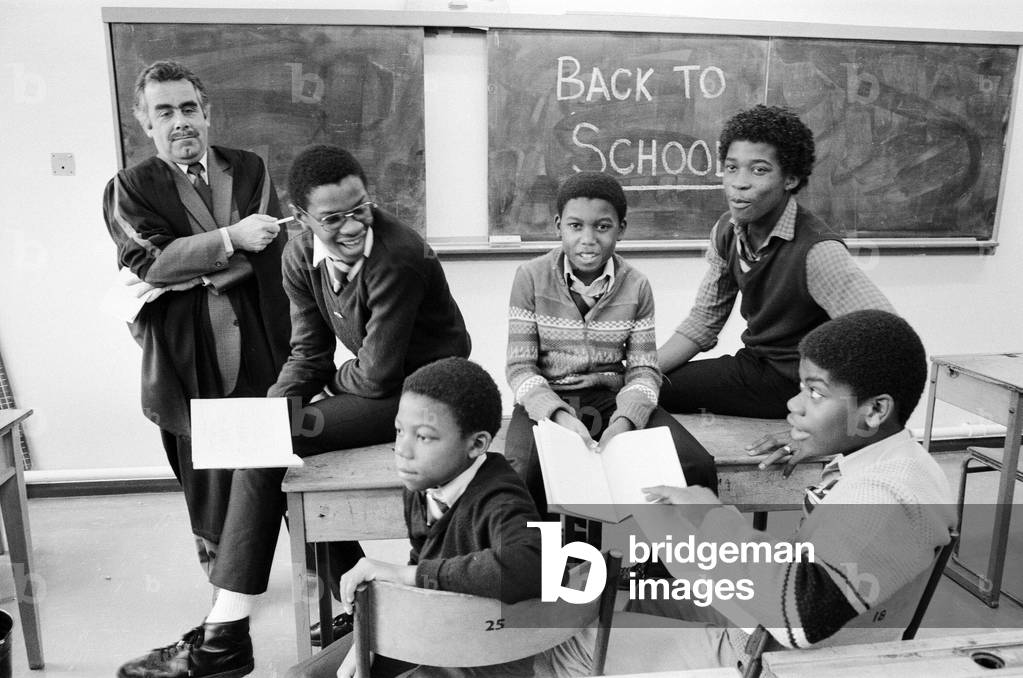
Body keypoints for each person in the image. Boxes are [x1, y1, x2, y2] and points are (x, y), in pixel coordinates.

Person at [117, 145, 471, 678]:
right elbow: (307, 350)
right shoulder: (297, 255)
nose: (351, 226)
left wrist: (320, 392)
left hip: (431, 393)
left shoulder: (397, 256)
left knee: (275, 442)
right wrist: (275, 407)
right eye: (332, 218)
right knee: (269, 444)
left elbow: (374, 374)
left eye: (360, 209)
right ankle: (344, 606)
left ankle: (225, 635)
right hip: (381, 391)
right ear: (301, 219)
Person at [635, 310, 954, 672]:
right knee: (643, 595)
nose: (793, 404)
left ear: (876, 409)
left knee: (573, 644)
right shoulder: (902, 461)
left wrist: (712, 517)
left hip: (773, 656)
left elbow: (801, 614)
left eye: (815, 392)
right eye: (801, 388)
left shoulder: (883, 498)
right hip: (786, 624)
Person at [102, 60, 290, 575]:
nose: (180, 121)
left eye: (189, 108)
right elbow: (151, 264)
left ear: (206, 113)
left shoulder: (248, 168)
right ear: (145, 123)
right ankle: (224, 589)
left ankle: (319, 578)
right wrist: (230, 239)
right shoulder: (129, 187)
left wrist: (195, 266)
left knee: (285, 456)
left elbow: (272, 251)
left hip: (263, 340)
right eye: (164, 112)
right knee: (206, 472)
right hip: (188, 352)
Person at [284, 357, 546, 678]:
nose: (402, 450)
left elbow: (533, 567)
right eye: (398, 431)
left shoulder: (501, 498)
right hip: (431, 625)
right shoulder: (421, 483)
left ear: (477, 444)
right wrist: (372, 634)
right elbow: (422, 561)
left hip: (487, 652)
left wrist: (406, 575)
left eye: (423, 437)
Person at [505, 171, 718, 523]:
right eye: (575, 226)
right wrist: (556, 414)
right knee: (521, 473)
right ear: (559, 225)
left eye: (602, 227)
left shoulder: (637, 286)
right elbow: (520, 368)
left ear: (622, 227)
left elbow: (644, 370)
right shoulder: (530, 276)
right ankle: (538, 569)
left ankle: (667, 570)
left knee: (692, 462)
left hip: (609, 399)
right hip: (546, 398)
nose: (587, 239)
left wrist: (624, 421)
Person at [658, 104, 894, 419]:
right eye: (731, 167)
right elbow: (703, 323)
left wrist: (818, 425)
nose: (739, 183)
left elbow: (887, 340)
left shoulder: (818, 252)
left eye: (758, 170)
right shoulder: (727, 231)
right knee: (647, 387)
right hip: (756, 367)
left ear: (791, 179)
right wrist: (636, 372)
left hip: (803, 388)